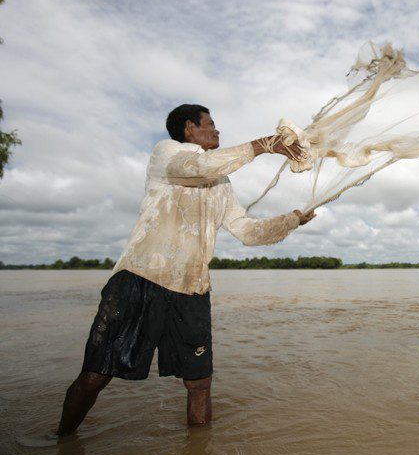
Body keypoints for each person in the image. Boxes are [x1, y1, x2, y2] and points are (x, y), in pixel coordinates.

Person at [56, 104, 315, 436]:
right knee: (96, 374)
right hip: (140, 279)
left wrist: (292, 220)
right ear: (190, 128)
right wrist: (262, 145)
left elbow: (247, 232)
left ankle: (198, 452)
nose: (217, 130)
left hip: (193, 290)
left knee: (200, 383)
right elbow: (194, 168)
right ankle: (62, 441)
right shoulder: (168, 153)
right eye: (210, 124)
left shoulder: (221, 183)